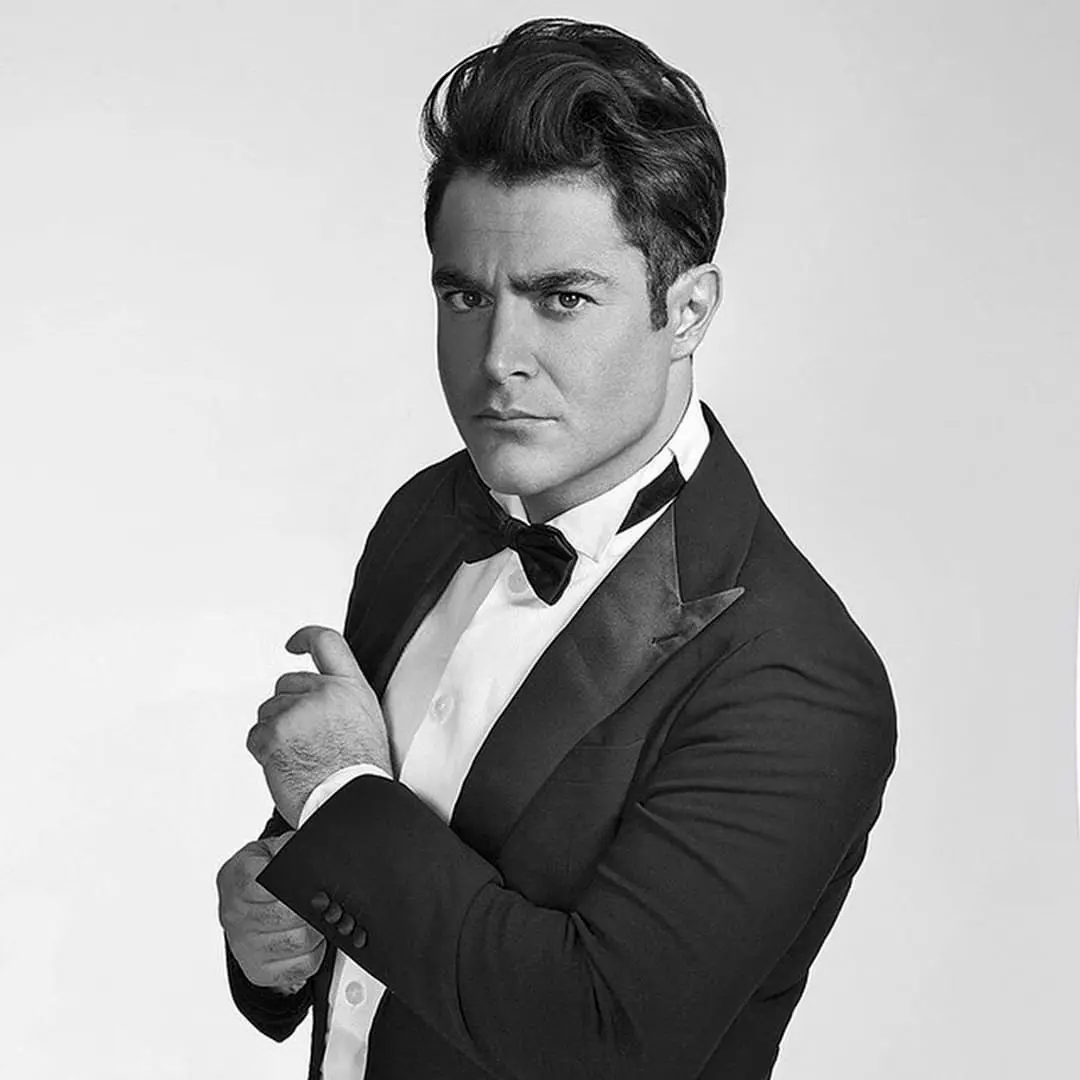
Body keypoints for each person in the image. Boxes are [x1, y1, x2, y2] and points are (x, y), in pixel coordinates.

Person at [216, 17, 896, 1080]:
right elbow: (337, 877)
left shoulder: (797, 678)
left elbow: (597, 1038)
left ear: (688, 309)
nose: (498, 358)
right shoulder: (426, 518)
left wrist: (337, 795)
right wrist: (270, 937)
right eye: (465, 296)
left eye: (563, 299)